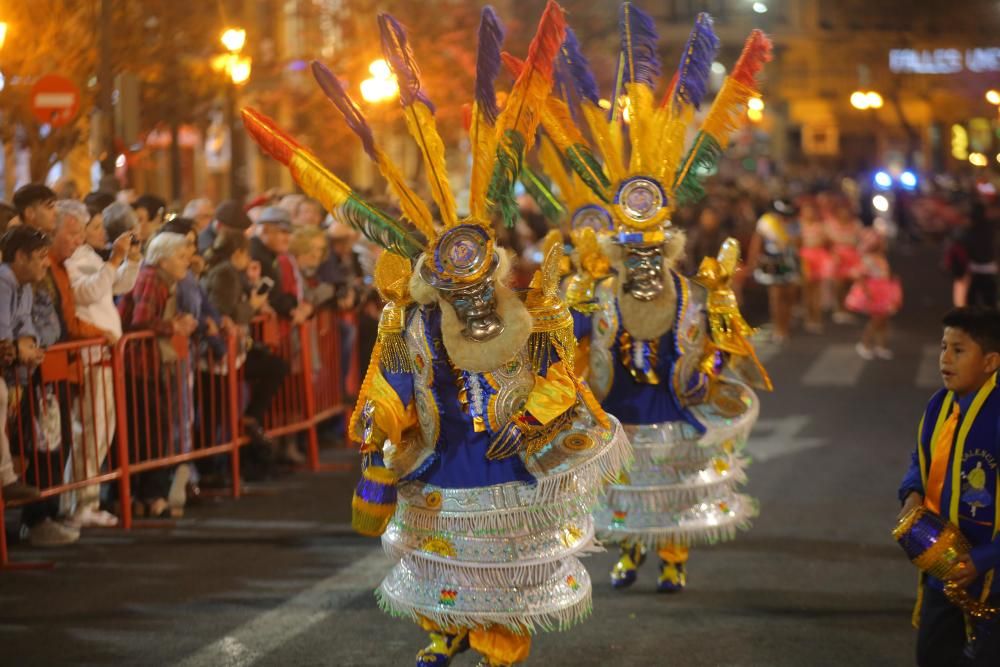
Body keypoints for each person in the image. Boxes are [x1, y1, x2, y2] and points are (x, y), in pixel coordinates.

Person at [242, 5, 634, 664]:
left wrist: (533, 417)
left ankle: (500, 641)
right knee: (437, 550)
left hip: (507, 455)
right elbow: (391, 380)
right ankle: (443, 631)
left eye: (480, 286)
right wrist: (375, 418)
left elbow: (555, 379)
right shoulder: (416, 322)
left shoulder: (529, 315)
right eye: (458, 291)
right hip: (440, 450)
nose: (472, 300)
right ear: (438, 284)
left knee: (503, 558)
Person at [552, 11, 772, 595]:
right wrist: (560, 300)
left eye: (653, 255)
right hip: (619, 403)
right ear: (619, 256)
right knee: (623, 488)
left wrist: (718, 344)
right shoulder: (598, 293)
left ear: (668, 250)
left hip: (673, 403)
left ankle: (673, 559)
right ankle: (627, 555)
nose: (644, 267)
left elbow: (725, 347)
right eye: (634, 257)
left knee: (670, 486)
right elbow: (562, 337)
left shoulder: (694, 296)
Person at [897, 307, 1000, 666]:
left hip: (992, 579)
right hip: (943, 570)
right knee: (933, 655)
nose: (945, 359)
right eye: (943, 347)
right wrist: (912, 493)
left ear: (990, 362)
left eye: (959, 350)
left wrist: (985, 558)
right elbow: (919, 459)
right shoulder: (939, 405)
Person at [63, 205, 141, 527]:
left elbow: (116, 286)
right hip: (91, 357)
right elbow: (88, 291)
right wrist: (112, 261)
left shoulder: (90, 257)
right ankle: (79, 502)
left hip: (105, 356)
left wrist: (131, 259)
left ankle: (87, 501)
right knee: (90, 432)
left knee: (100, 432)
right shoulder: (75, 260)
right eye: (93, 226)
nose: (100, 232)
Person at [117, 232, 198, 518]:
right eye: (180, 256)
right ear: (162, 258)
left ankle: (145, 496)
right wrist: (172, 326)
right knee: (152, 431)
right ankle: (150, 495)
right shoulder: (151, 278)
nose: (186, 261)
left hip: (149, 365)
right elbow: (140, 322)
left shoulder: (164, 279)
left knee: (151, 430)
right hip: (139, 365)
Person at [0, 227, 47, 506]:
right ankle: (6, 479)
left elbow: (26, 325)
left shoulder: (25, 285)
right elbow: (3, 334)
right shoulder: (3, 280)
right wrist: (19, 349)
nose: (45, 262)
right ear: (20, 256)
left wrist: (28, 344)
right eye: (40, 256)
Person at [746, 199, 801, 342]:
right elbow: (756, 242)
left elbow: (799, 243)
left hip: (789, 261)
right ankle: (778, 328)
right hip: (773, 262)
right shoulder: (766, 223)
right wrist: (753, 262)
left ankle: (786, 324)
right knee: (776, 295)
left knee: (789, 295)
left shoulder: (794, 225)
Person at [846, 228, 903, 360]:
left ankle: (881, 345)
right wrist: (867, 291)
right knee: (876, 320)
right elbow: (859, 276)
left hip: (885, 291)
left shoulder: (880, 257)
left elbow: (884, 273)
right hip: (874, 291)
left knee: (884, 320)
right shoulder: (867, 259)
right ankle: (864, 344)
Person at [798, 198, 834, 333]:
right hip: (805, 258)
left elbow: (828, 241)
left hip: (818, 257)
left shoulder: (821, 226)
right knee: (807, 289)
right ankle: (809, 316)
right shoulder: (799, 226)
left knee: (817, 290)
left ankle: (817, 317)